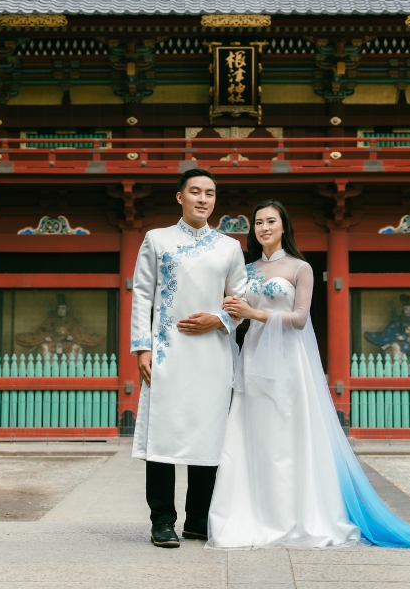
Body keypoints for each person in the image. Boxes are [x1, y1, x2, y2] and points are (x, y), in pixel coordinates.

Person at [209, 199, 410, 552]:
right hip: (252, 356)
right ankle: (252, 516)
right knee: (253, 432)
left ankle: (296, 517)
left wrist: (254, 311)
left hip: (288, 360)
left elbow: (299, 319)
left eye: (271, 221)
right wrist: (231, 313)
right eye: (258, 223)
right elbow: (237, 314)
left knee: (288, 433)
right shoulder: (246, 268)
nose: (264, 228)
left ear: (284, 227)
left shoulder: (300, 268)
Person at [129, 168, 249, 548]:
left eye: (209, 193)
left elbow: (240, 300)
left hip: (213, 352)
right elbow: (142, 295)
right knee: (163, 434)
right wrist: (142, 347)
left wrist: (219, 318)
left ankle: (198, 519)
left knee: (208, 435)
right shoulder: (156, 239)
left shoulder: (229, 247)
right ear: (179, 197)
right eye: (195, 192)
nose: (203, 199)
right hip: (167, 351)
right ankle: (162, 520)